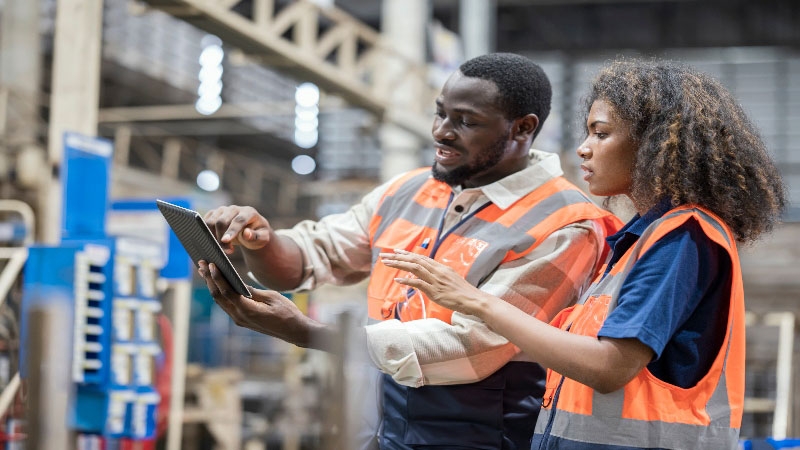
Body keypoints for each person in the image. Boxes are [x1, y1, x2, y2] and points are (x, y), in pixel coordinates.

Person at [198, 52, 621, 450]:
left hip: (478, 435)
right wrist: (262, 241)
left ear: (523, 128)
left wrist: (309, 334)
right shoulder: (410, 190)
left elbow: (475, 346)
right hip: (379, 426)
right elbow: (313, 255)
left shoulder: (567, 223)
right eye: (440, 113)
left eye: (466, 122)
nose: (441, 132)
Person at [380, 58, 787, 450]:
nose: (583, 149)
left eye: (601, 133)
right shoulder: (633, 244)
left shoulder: (683, 238)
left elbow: (608, 366)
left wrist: (475, 302)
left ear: (654, 144)